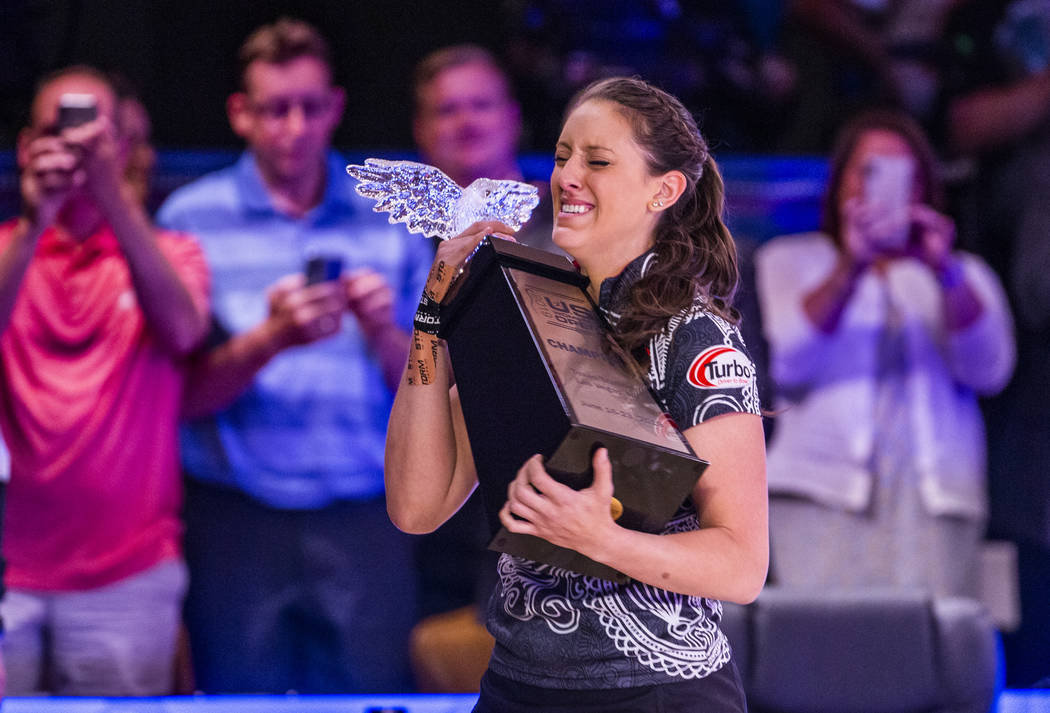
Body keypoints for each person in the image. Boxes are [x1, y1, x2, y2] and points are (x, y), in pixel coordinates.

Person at [386, 76, 767, 711]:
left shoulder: (696, 339)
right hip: (517, 686)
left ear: (664, 190)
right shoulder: (525, 308)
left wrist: (602, 539)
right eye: (563, 156)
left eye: (598, 161)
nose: (568, 177)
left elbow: (741, 565)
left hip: (657, 693)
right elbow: (415, 506)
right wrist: (435, 316)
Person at [156, 18, 430, 694]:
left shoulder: (391, 216)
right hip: (237, 514)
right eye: (275, 109)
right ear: (241, 115)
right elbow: (181, 397)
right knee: (238, 700)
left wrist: (382, 333)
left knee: (371, 697)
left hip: (365, 510)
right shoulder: (191, 217)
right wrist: (268, 338)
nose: (295, 126)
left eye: (311, 106)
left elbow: (429, 397)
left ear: (335, 106)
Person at [0, 66, 210, 695]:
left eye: (97, 132)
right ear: (24, 147)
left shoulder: (172, 250)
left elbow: (184, 331)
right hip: (11, 571)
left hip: (127, 571)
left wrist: (110, 193)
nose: (74, 143)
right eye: (54, 130)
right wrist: (39, 219)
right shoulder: (9, 248)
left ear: (124, 145)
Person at [755, 110, 1015, 597]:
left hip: (933, 502)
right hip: (818, 497)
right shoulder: (791, 259)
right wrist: (852, 268)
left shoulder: (964, 272)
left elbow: (990, 371)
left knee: (923, 654)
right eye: (868, 171)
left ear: (923, 187)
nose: (884, 187)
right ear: (841, 182)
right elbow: (790, 364)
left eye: (903, 174)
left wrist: (945, 273)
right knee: (824, 653)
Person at [412, 44, 559, 255]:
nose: (466, 122)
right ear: (419, 129)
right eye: (447, 110)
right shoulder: (395, 236)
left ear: (513, 117)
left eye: (482, 105)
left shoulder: (564, 214)